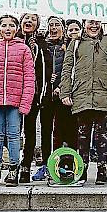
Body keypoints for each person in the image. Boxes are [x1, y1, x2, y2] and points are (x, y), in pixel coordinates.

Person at [60, 19, 107, 185]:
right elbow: (67, 69)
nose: (94, 26)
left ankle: (102, 170)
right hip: (82, 95)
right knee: (82, 136)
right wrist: (65, 92)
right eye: (90, 22)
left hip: (103, 95)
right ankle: (82, 169)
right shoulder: (75, 44)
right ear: (84, 24)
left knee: (102, 136)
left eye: (97, 22)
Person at [0, 15, 35, 187]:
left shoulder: (24, 49)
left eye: (11, 25)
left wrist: (25, 103)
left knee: (14, 135)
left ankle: (13, 170)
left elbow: (29, 78)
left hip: (15, 102)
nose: (7, 29)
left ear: (16, 28)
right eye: (4, 25)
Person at [17, 13, 53, 183]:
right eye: (26, 18)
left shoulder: (42, 43)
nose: (29, 21)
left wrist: (49, 82)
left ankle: (46, 164)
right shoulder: (16, 41)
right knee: (27, 131)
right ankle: (24, 165)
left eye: (33, 19)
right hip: (21, 94)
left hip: (41, 93)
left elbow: (47, 66)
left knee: (46, 131)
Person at [46, 17, 77, 151]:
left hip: (63, 94)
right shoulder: (43, 46)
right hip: (47, 95)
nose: (53, 28)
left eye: (57, 25)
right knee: (47, 130)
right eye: (51, 25)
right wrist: (48, 79)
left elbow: (73, 68)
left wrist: (61, 86)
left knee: (65, 129)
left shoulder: (70, 46)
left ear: (63, 29)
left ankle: (68, 161)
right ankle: (48, 162)